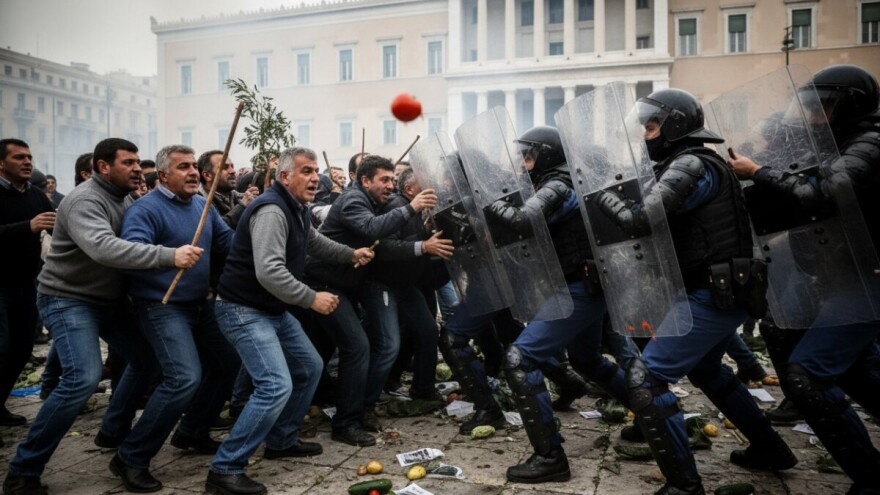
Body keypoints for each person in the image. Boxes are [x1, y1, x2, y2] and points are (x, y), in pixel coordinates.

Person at [593, 88, 797, 494]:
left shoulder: (690, 163)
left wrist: (602, 195)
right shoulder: (688, 162)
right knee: (707, 370)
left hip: (713, 291)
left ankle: (684, 486)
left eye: (651, 127)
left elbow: (640, 219)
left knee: (646, 381)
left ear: (674, 127)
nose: (645, 135)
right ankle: (770, 448)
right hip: (719, 287)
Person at [2, 138, 203, 495]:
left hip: (110, 301)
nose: (137, 169)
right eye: (128, 163)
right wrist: (169, 256)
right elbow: (103, 248)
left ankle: (112, 431)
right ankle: (23, 469)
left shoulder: (126, 198)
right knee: (82, 378)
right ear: (102, 167)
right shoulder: (85, 200)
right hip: (68, 298)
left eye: (138, 162)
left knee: (147, 359)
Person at [440, 126, 629, 483]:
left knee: (520, 359)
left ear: (546, 155)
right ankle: (648, 419)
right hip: (581, 282)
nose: (521, 164)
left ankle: (550, 457)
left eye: (528, 156)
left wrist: (482, 200)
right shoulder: (553, 183)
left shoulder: (559, 184)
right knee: (586, 359)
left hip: (580, 286)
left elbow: (522, 221)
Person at [728, 65, 880, 495]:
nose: (812, 115)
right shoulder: (832, 143)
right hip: (837, 274)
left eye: (822, 106)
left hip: (868, 278)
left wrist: (758, 171)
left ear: (850, 105)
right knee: (844, 365)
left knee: (807, 375)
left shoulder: (870, 141)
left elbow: (828, 193)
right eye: (809, 106)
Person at [206, 147, 374, 495]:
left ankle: (282, 439)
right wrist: (312, 298)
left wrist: (350, 254)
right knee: (274, 385)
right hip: (243, 309)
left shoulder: (296, 207)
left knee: (310, 367)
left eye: (315, 171)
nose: (315, 178)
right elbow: (269, 271)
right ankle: (225, 468)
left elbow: (314, 242)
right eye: (306, 171)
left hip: (271, 309)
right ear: (284, 176)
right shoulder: (271, 210)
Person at [113, 145, 239, 489]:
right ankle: (130, 456)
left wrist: (262, 235)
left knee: (229, 362)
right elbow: (132, 252)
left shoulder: (202, 205)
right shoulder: (144, 209)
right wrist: (171, 256)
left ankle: (192, 431)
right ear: (163, 175)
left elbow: (229, 243)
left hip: (200, 303)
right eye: (183, 167)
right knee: (183, 378)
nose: (193, 172)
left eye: (193, 166)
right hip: (161, 305)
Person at [304, 154, 437, 446]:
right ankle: (347, 421)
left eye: (392, 179)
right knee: (357, 346)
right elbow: (371, 230)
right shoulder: (354, 200)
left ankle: (329, 398)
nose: (390, 185)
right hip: (326, 283)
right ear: (365, 180)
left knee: (323, 349)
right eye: (384, 180)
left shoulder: (373, 200)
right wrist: (412, 210)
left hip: (345, 283)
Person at [372, 167, 454, 400]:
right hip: (385, 285)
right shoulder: (396, 207)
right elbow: (384, 247)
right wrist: (424, 246)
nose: (431, 186)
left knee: (424, 331)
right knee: (389, 342)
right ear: (409, 189)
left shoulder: (416, 209)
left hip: (407, 285)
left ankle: (419, 387)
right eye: (424, 183)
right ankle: (367, 397)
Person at [0, 139, 55, 429]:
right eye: (19, 157)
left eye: (29, 157)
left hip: (27, 284)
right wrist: (27, 227)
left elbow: (53, 224)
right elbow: (30, 226)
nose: (27, 162)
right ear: (1, 163)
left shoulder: (35, 195)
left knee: (21, 350)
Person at [197, 150, 259, 229]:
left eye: (232, 166)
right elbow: (216, 230)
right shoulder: (198, 204)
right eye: (224, 167)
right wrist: (242, 206)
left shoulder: (239, 198)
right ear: (207, 175)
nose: (232, 171)